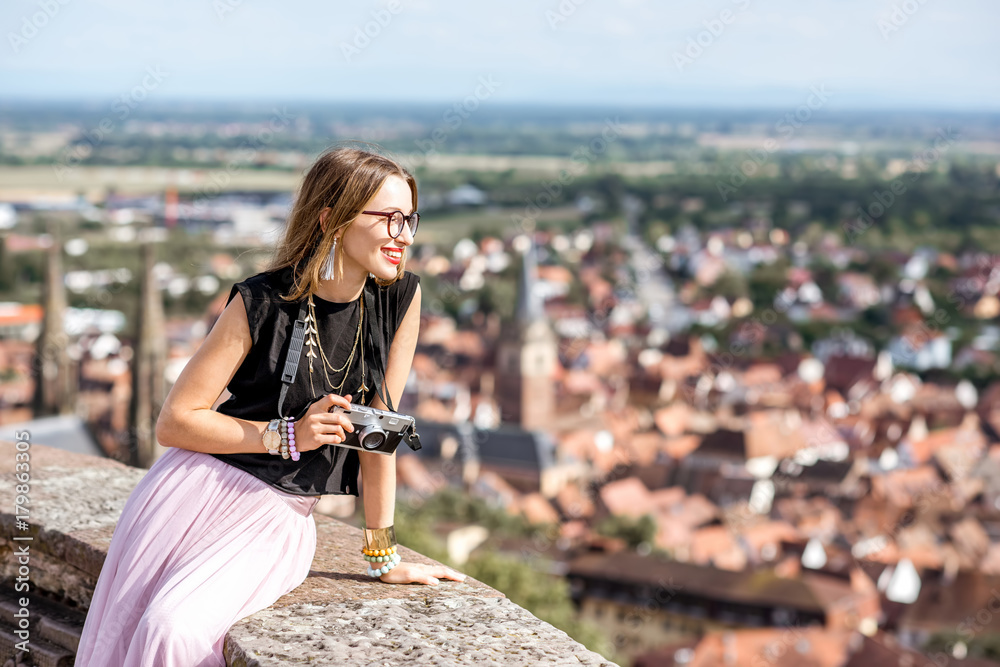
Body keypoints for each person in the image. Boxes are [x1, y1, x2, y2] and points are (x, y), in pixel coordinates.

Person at [75, 145, 465, 666]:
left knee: (169, 628)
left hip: (277, 515)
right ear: (334, 219)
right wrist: (287, 435)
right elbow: (175, 421)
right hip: (190, 493)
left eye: (410, 219)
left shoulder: (401, 300)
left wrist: (382, 556)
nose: (405, 236)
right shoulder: (261, 301)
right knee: (151, 630)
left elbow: (379, 436)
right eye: (390, 219)